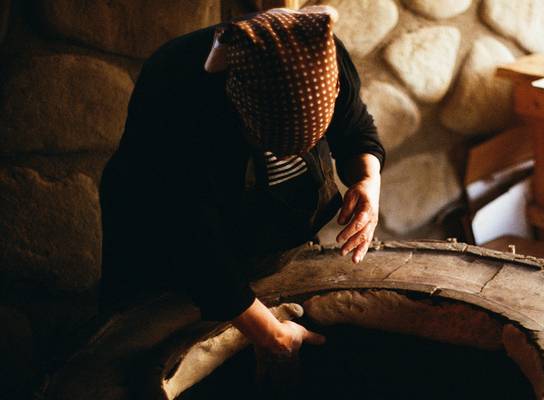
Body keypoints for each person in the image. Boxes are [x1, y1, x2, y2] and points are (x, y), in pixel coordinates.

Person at [98, 6, 384, 356]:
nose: (299, 154)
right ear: (238, 105)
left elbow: (355, 129)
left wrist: (368, 181)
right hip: (163, 252)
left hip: (258, 237)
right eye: (276, 147)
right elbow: (192, 239)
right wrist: (273, 335)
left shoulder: (321, 49)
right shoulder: (177, 88)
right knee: (143, 353)